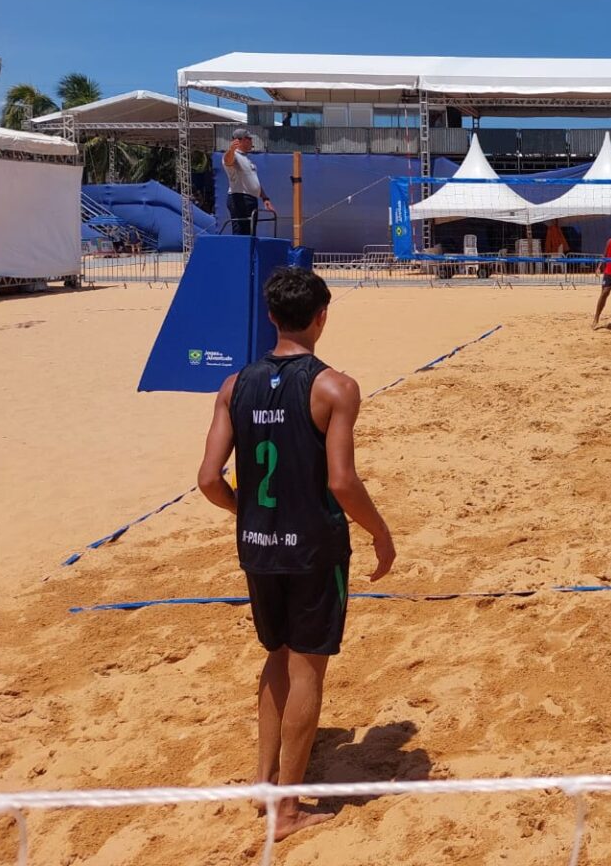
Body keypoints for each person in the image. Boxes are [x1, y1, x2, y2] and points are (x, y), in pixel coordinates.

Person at [195, 266, 396, 841]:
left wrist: (251, 513)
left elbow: (209, 479)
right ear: (321, 317)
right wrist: (380, 533)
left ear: (272, 317)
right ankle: (286, 811)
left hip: (257, 546)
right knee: (308, 665)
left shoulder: (234, 386)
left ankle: (264, 784)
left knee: (276, 656)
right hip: (313, 547)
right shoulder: (335, 386)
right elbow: (342, 482)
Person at [224, 129, 275, 236]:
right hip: (239, 198)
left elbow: (253, 181)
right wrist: (231, 149)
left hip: (251, 199)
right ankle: (239, 252)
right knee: (241, 232)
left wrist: (265, 197)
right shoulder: (234, 156)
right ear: (239, 141)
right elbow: (227, 161)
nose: (251, 141)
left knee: (250, 233)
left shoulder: (247, 159)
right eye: (249, 139)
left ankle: (248, 252)